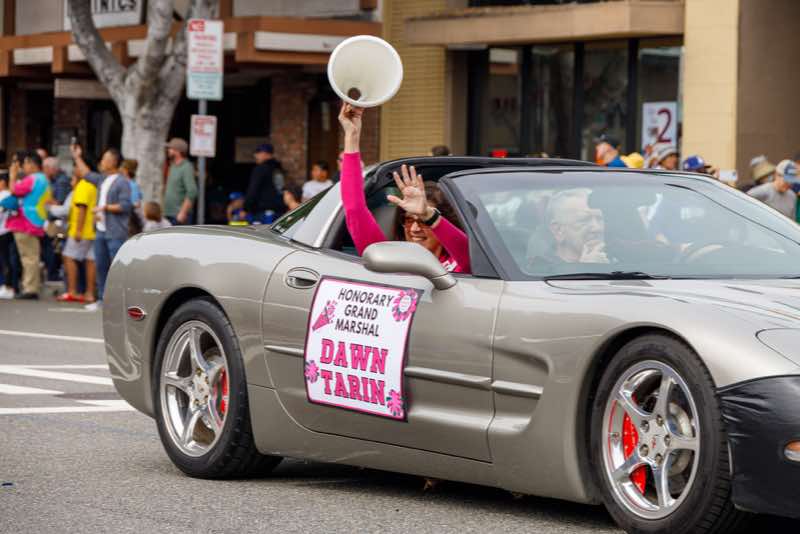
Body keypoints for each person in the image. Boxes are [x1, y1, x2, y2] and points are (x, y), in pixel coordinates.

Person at [338, 102, 470, 273]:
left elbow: (470, 255)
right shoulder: (389, 259)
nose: (414, 229)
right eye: (408, 220)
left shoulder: (459, 264)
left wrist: (429, 215)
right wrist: (352, 136)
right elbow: (355, 209)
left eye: (423, 222)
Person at [71, 145, 131, 310]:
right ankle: (103, 300)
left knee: (117, 268)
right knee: (101, 266)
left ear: (113, 162)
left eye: (105, 159)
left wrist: (104, 208)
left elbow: (126, 206)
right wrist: (77, 157)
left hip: (115, 232)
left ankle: (118, 302)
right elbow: (86, 174)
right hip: (101, 230)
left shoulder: (122, 182)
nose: (101, 162)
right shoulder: (103, 179)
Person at [6, 151, 51, 299]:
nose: (23, 167)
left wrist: (12, 176)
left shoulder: (32, 179)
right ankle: (30, 286)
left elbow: (14, 191)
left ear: (32, 164)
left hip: (25, 221)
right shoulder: (43, 179)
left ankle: (30, 288)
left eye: (25, 163)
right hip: (35, 220)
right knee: (32, 256)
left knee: (29, 257)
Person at [58, 172, 97, 303]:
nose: (71, 183)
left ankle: (72, 291)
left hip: (81, 230)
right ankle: (89, 293)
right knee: (90, 261)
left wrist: (78, 230)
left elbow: (82, 208)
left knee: (68, 257)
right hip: (93, 230)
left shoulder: (82, 186)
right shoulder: (94, 185)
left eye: (73, 179)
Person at [545, 189, 609, 264]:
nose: (597, 228)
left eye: (599, 218)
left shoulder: (618, 261)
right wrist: (589, 268)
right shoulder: (539, 268)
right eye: (584, 220)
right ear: (558, 230)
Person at [244, 143, 284, 223]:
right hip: (279, 213)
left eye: (258, 153)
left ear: (266, 153)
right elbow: (282, 189)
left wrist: (246, 208)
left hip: (262, 213)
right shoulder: (278, 169)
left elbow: (253, 190)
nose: (255, 155)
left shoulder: (261, 169)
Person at [164, 138, 197, 225]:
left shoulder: (186, 167)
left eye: (170, 148)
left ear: (178, 151)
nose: (168, 150)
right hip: (168, 213)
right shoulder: (172, 166)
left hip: (178, 215)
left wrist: (183, 212)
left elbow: (192, 191)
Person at [0, 172, 18, 299]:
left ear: (3, 182)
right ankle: (8, 286)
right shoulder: (10, 195)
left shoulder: (3, 196)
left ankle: (7, 286)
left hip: (3, 231)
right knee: (8, 260)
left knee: (5, 261)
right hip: (9, 231)